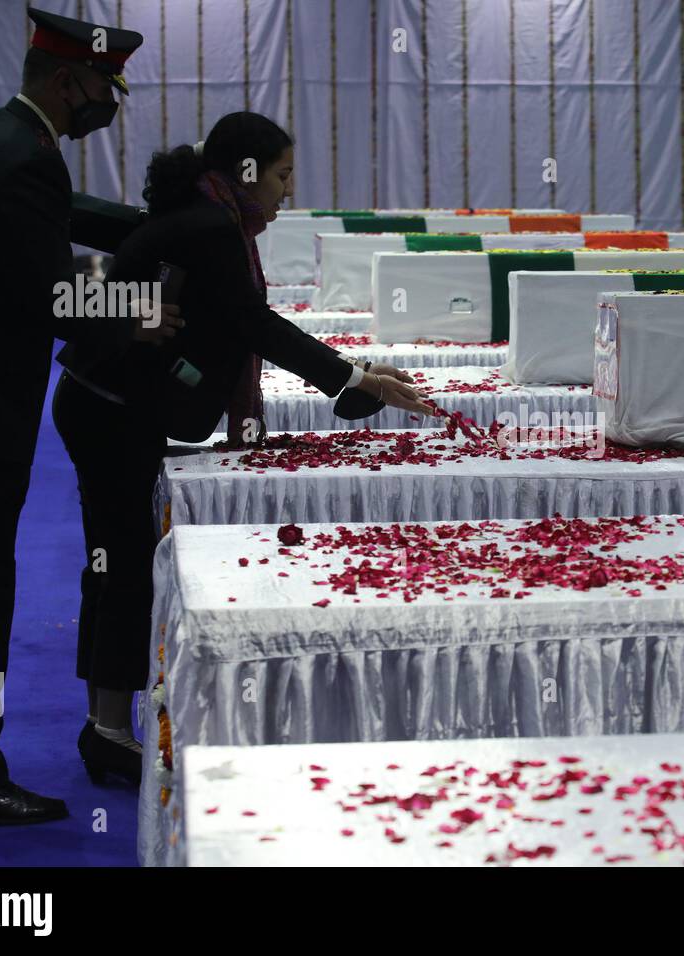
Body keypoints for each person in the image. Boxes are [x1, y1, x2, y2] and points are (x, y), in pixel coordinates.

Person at [52, 111, 435, 785]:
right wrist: (356, 379)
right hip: (110, 411)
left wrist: (354, 376)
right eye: (283, 174)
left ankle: (105, 721)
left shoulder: (204, 215)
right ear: (246, 173)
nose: (288, 189)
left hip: (103, 403)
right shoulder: (211, 229)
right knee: (123, 570)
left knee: (112, 563)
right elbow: (255, 324)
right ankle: (108, 730)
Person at [0, 8, 182, 826]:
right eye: (104, 84)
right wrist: (139, 307)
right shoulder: (26, 157)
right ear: (67, 81)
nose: (109, 100)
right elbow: (53, 294)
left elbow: (49, 213)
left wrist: (141, 227)